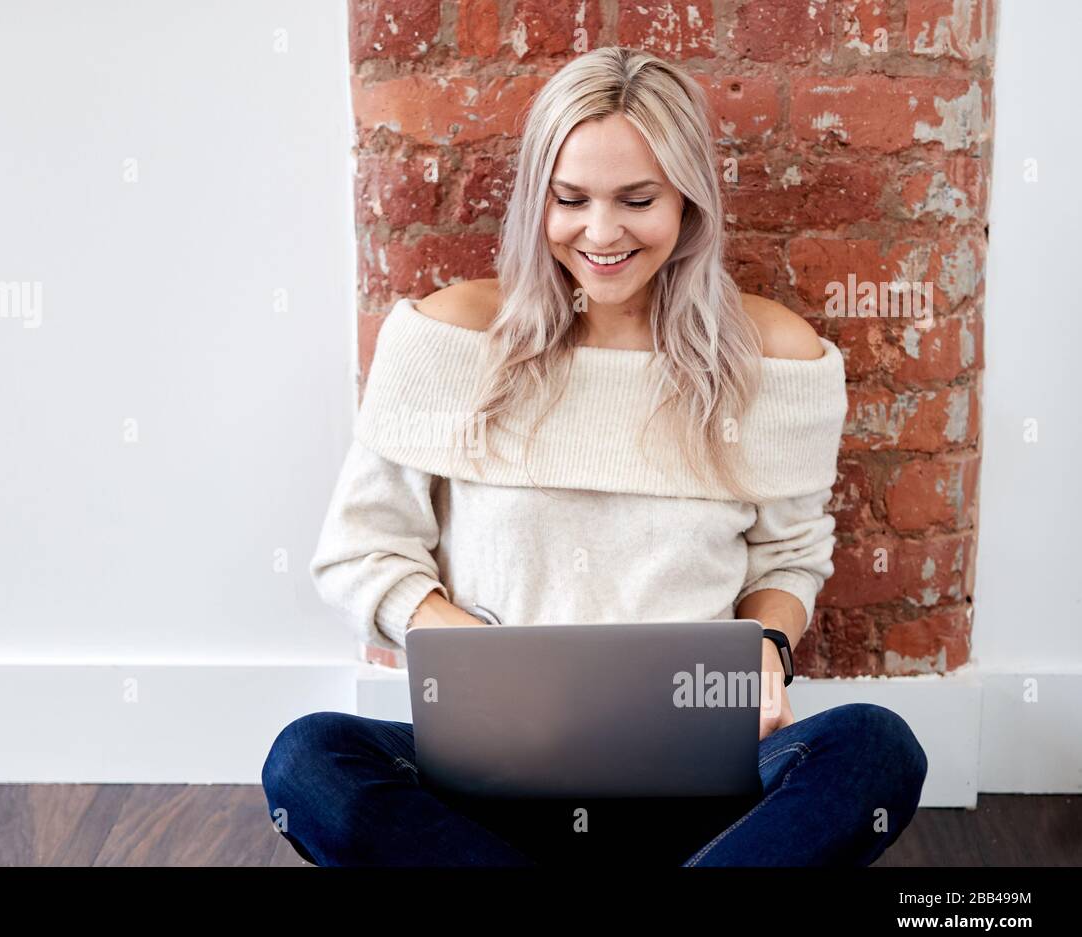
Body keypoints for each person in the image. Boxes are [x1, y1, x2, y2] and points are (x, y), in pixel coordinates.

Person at [262, 46, 927, 867]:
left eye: (637, 199)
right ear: (534, 198)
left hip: (696, 786)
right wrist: (468, 651)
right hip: (487, 788)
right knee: (308, 759)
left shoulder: (775, 358)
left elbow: (789, 558)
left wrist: (768, 646)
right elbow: (361, 551)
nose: (601, 233)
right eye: (569, 199)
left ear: (688, 200)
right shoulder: (447, 338)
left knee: (875, 747)